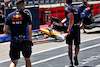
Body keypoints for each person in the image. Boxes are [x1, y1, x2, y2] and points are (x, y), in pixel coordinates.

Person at [3, 0, 33, 67]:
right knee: (27, 59)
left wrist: (11, 36)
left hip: (14, 41)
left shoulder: (9, 16)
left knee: (14, 61)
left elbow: (5, 30)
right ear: (23, 6)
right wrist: (30, 41)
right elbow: (29, 31)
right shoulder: (27, 16)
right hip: (25, 41)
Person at [65, 0, 80, 67]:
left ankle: (71, 62)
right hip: (77, 28)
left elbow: (71, 19)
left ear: (66, 1)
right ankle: (76, 56)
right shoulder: (75, 8)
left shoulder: (67, 8)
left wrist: (69, 29)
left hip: (72, 29)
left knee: (70, 46)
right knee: (77, 45)